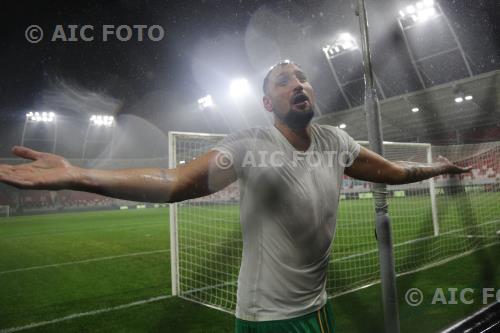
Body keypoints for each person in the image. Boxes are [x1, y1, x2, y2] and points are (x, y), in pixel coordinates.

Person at [0, 60, 470, 333]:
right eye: (284, 81)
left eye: (303, 77)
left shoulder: (336, 143)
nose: (298, 84)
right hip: (267, 318)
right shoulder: (250, 144)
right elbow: (175, 181)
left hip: (317, 308)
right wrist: (78, 174)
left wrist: (439, 167)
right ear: (268, 104)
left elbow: (395, 171)